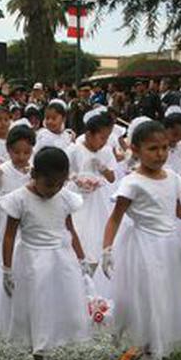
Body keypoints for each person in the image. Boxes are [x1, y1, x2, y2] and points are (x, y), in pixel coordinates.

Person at [100, 120, 181, 360]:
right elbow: (115, 218)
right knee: (149, 297)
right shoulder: (132, 183)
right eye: (153, 149)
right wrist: (107, 248)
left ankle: (153, 349)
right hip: (143, 246)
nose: (160, 154)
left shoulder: (173, 178)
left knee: (166, 296)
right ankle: (149, 357)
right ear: (136, 150)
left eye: (164, 148)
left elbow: (176, 213)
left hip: (169, 245)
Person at [0, 147, 90, 360]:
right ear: (34, 174)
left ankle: (46, 347)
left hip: (61, 259)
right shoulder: (19, 198)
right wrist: (6, 269)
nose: (54, 190)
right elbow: (9, 236)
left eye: (60, 184)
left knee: (57, 306)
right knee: (38, 308)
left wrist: (81, 259)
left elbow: (70, 229)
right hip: (33, 264)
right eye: (49, 184)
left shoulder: (64, 197)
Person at [0, 124, 34, 330]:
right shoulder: (1, 171)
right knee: (7, 256)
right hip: (6, 219)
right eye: (17, 152)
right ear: (8, 150)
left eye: (27, 152)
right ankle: (1, 306)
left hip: (27, 220)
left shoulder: (33, 171)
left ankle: (25, 303)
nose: (22, 156)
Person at [67, 108, 117, 263]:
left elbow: (112, 178)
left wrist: (103, 168)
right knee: (79, 225)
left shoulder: (106, 152)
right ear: (89, 134)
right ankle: (77, 253)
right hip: (78, 194)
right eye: (101, 138)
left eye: (107, 138)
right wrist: (76, 178)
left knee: (97, 226)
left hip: (98, 196)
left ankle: (98, 253)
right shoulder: (75, 149)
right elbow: (65, 171)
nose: (104, 142)